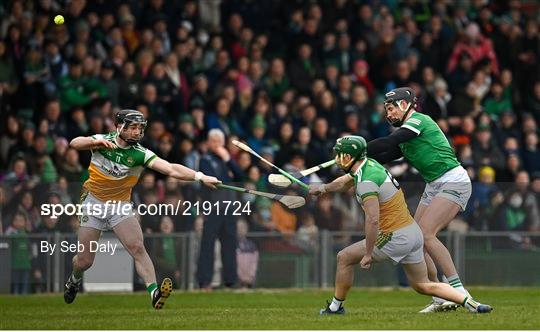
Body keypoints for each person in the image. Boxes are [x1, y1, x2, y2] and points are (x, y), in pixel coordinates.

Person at [322, 87, 473, 312]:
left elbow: (388, 143)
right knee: (418, 237)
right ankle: (440, 298)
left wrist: (359, 149)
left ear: (405, 105)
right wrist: (352, 159)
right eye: (387, 110)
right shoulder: (404, 137)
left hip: (453, 180)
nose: (388, 114)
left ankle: (459, 291)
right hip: (433, 184)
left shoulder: (418, 121)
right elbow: (381, 155)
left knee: (428, 234)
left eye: (391, 108)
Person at [310, 135, 492, 315]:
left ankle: (336, 307)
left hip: (394, 237)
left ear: (350, 157)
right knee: (423, 285)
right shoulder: (370, 166)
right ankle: (470, 303)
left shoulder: (366, 183)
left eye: (340, 155)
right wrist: (323, 188)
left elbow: (373, 220)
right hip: (412, 233)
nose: (336, 159)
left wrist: (367, 253)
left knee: (344, 257)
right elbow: (345, 182)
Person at [65, 109, 221, 309]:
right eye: (133, 128)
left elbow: (171, 168)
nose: (137, 132)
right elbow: (74, 143)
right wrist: (93, 142)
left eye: (140, 128)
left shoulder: (140, 154)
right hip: (93, 203)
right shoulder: (102, 140)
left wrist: (201, 177)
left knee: (137, 247)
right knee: (85, 261)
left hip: (120, 205)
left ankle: (154, 293)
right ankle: (74, 280)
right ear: (119, 126)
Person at [197, 129, 244, 290]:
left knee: (230, 245)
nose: (217, 144)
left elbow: (239, 177)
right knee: (208, 245)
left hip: (230, 208)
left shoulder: (227, 159)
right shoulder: (205, 159)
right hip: (213, 207)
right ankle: (205, 282)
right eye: (214, 141)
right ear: (209, 143)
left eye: (219, 141)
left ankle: (231, 281)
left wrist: (228, 159)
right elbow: (215, 181)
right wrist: (228, 173)